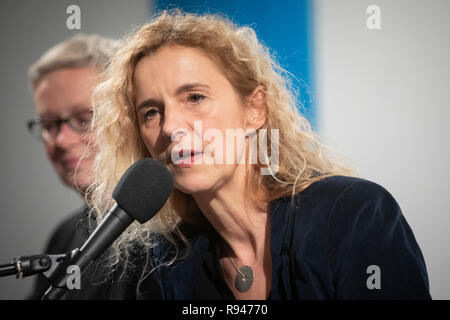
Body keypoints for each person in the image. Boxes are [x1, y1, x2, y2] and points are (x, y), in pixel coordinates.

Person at [89, 10, 431, 300]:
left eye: (194, 97)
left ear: (254, 109)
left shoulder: (353, 214)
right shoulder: (163, 265)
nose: (170, 127)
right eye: (151, 112)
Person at [27, 34, 160, 300]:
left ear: (130, 116)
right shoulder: (65, 236)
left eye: (85, 119)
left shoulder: (172, 236)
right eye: (49, 125)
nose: (61, 140)